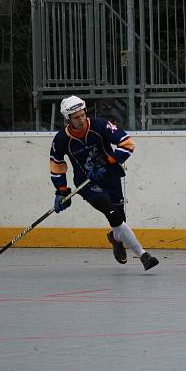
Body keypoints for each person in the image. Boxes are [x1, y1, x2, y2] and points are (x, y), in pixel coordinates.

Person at [49, 96, 159, 271]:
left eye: (82, 114)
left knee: (119, 219)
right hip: (87, 184)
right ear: (68, 119)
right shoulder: (61, 139)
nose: (81, 119)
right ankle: (143, 255)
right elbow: (57, 164)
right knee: (112, 213)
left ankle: (115, 239)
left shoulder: (100, 125)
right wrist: (61, 190)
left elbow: (127, 144)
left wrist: (107, 161)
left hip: (111, 176)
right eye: (76, 117)